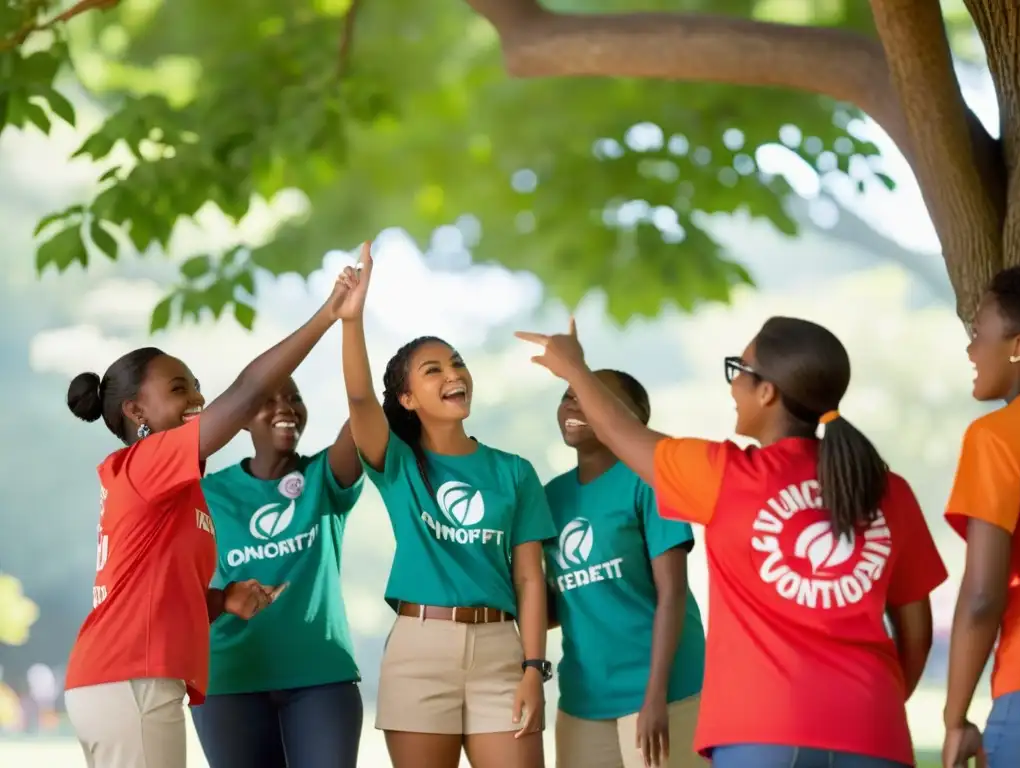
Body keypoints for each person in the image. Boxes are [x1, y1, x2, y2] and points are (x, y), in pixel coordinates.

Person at [516, 316, 947, 768]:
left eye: (737, 370)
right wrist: (879, 706)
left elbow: (622, 433)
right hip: (873, 729)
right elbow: (916, 631)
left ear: (767, 392)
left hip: (760, 732)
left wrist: (574, 369)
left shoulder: (726, 477)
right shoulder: (887, 488)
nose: (731, 385)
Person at [62, 271, 351, 768]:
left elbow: (156, 593)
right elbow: (248, 390)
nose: (198, 399)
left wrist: (220, 600)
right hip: (131, 680)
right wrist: (329, 314)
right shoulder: (148, 462)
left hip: (122, 680)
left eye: (197, 385)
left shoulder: (169, 487)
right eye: (179, 389)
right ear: (137, 411)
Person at [337, 243, 557, 768]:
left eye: (455, 363)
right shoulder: (396, 462)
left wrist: (534, 668)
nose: (452, 373)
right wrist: (351, 319)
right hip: (419, 652)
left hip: (502, 653)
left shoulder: (513, 471)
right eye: (432, 370)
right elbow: (362, 400)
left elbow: (529, 579)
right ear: (408, 398)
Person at [190, 376, 365, 768]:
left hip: (320, 676)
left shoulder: (326, 477)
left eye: (294, 399)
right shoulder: (207, 493)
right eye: (268, 401)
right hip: (230, 677)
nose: (286, 408)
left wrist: (350, 324)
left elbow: (363, 408)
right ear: (242, 419)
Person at [545, 369, 706, 768]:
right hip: (583, 702)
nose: (572, 405)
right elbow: (559, 605)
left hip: (666, 694)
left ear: (633, 417)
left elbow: (673, 593)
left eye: (588, 395)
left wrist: (654, 698)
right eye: (568, 395)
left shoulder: (649, 481)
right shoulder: (551, 498)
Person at [943, 265, 1020, 768]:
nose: (971, 351)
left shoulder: (998, 437)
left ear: (1018, 344)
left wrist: (955, 717)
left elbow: (981, 596)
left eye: (978, 334)